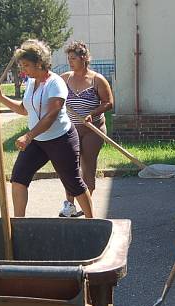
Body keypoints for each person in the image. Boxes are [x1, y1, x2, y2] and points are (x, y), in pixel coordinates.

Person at [0, 39, 93, 218]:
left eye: (26, 65)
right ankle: (19, 223)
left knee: (73, 183)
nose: (22, 69)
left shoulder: (55, 83)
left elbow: (51, 116)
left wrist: (28, 136)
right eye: (21, 65)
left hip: (61, 139)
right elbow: (25, 109)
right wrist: (1, 98)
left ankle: (92, 222)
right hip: (38, 141)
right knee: (18, 178)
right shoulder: (32, 82)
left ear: (39, 63)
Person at [58, 41, 113, 217]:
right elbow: (54, 97)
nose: (70, 62)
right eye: (69, 58)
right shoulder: (64, 78)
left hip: (92, 129)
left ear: (84, 58)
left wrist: (93, 113)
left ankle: (86, 203)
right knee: (69, 167)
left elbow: (109, 103)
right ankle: (69, 205)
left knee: (87, 166)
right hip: (70, 129)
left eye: (73, 58)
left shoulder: (97, 79)